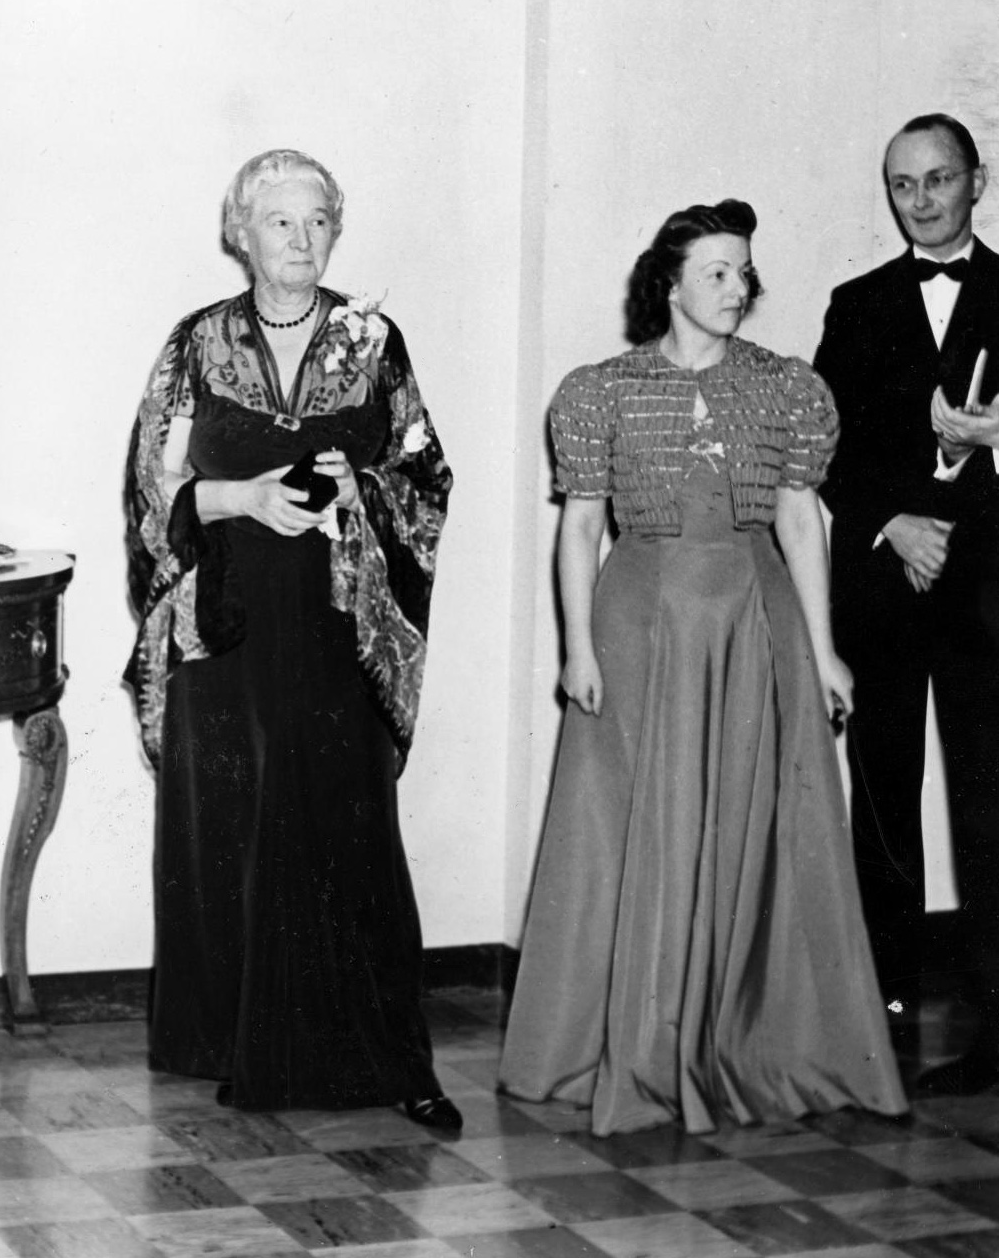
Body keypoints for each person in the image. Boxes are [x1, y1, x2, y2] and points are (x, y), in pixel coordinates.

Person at [500, 200, 907, 1136]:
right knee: (630, 825)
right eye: (716, 272)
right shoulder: (598, 390)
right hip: (638, 621)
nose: (736, 288)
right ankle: (630, 1045)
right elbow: (580, 525)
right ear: (669, 282)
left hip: (751, 619)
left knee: (756, 822)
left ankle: (748, 1036)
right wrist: (576, 646)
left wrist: (823, 647)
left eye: (743, 272)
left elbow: (802, 519)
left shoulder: (786, 388)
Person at [122, 149, 459, 1127]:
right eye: (279, 221)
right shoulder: (195, 345)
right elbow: (152, 489)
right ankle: (237, 1042)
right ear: (242, 232)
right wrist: (243, 497)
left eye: (317, 221)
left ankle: (393, 1059)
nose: (300, 239)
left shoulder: (371, 337)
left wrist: (360, 490)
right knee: (233, 823)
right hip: (226, 625)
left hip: (333, 625)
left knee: (349, 830)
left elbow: (424, 477)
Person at [815, 113, 999, 1095]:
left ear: (976, 179)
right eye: (902, 184)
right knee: (879, 792)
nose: (921, 199)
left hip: (987, 600)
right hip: (887, 584)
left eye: (937, 179)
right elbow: (823, 445)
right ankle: (875, 1008)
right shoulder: (855, 304)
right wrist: (897, 516)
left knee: (992, 800)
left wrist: (997, 443)